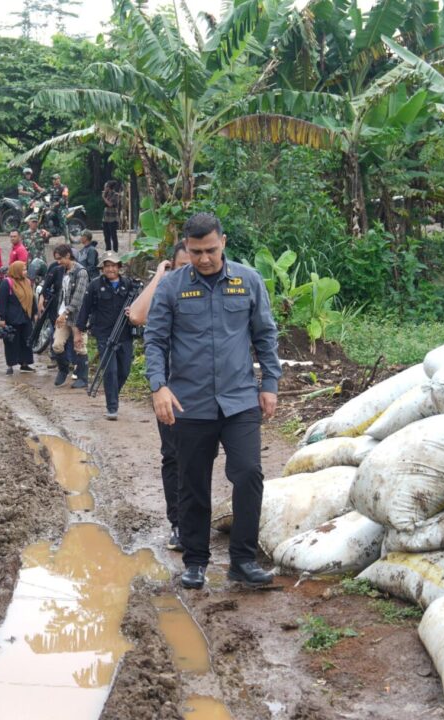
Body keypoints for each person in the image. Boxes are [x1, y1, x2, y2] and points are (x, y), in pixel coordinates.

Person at [144, 213, 281, 590]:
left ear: (223, 241)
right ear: (185, 247)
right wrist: (159, 386)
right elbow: (155, 340)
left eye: (210, 250)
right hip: (189, 403)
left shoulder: (247, 281)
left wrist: (269, 383)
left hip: (240, 401)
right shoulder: (171, 287)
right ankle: (195, 561)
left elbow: (265, 335)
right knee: (192, 482)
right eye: (196, 251)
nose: (204, 259)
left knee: (249, 474)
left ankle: (242, 561)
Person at [129, 241, 192, 551]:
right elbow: (137, 316)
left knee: (201, 457)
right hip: (169, 388)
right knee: (174, 456)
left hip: (206, 388)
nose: (188, 272)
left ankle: (200, 517)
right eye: (180, 267)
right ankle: (179, 523)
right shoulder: (165, 290)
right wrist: (160, 275)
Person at [77, 251, 135, 420]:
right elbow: (85, 309)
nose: (110, 269)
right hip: (104, 334)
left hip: (125, 334)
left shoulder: (129, 285)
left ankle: (112, 394)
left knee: (124, 370)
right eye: (107, 266)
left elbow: (141, 305)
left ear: (119, 267)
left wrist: (134, 311)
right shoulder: (94, 285)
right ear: (102, 268)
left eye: (113, 265)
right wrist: (78, 332)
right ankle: (112, 407)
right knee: (110, 371)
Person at [50, 243, 88, 389]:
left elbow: (78, 298)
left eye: (60, 259)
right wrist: (60, 314)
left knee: (80, 346)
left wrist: (65, 313)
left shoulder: (81, 272)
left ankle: (82, 377)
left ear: (68, 256)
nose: (58, 262)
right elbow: (62, 294)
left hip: (77, 316)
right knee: (57, 345)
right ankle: (63, 369)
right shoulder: (62, 271)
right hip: (63, 315)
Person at [0, 260, 37, 375]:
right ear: (17, 271)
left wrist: (35, 313)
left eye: (25, 269)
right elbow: (2, 301)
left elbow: (32, 299)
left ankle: (25, 364)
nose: (25, 271)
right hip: (12, 318)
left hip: (26, 317)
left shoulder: (27, 282)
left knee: (26, 341)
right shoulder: (7, 283)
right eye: (23, 269)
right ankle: (10, 365)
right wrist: (2, 318)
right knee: (11, 342)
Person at [24, 215, 50, 280]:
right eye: (33, 222)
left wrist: (47, 234)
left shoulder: (42, 233)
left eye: (36, 222)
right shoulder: (24, 234)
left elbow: (48, 238)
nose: (34, 224)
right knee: (30, 280)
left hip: (40, 261)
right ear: (29, 222)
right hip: (29, 261)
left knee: (42, 281)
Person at [102, 180, 122, 253]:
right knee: (106, 236)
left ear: (109, 187)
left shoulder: (115, 195)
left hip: (113, 218)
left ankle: (115, 251)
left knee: (113, 235)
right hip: (105, 218)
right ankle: (108, 250)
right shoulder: (106, 194)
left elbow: (110, 204)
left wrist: (104, 198)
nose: (104, 188)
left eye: (105, 186)